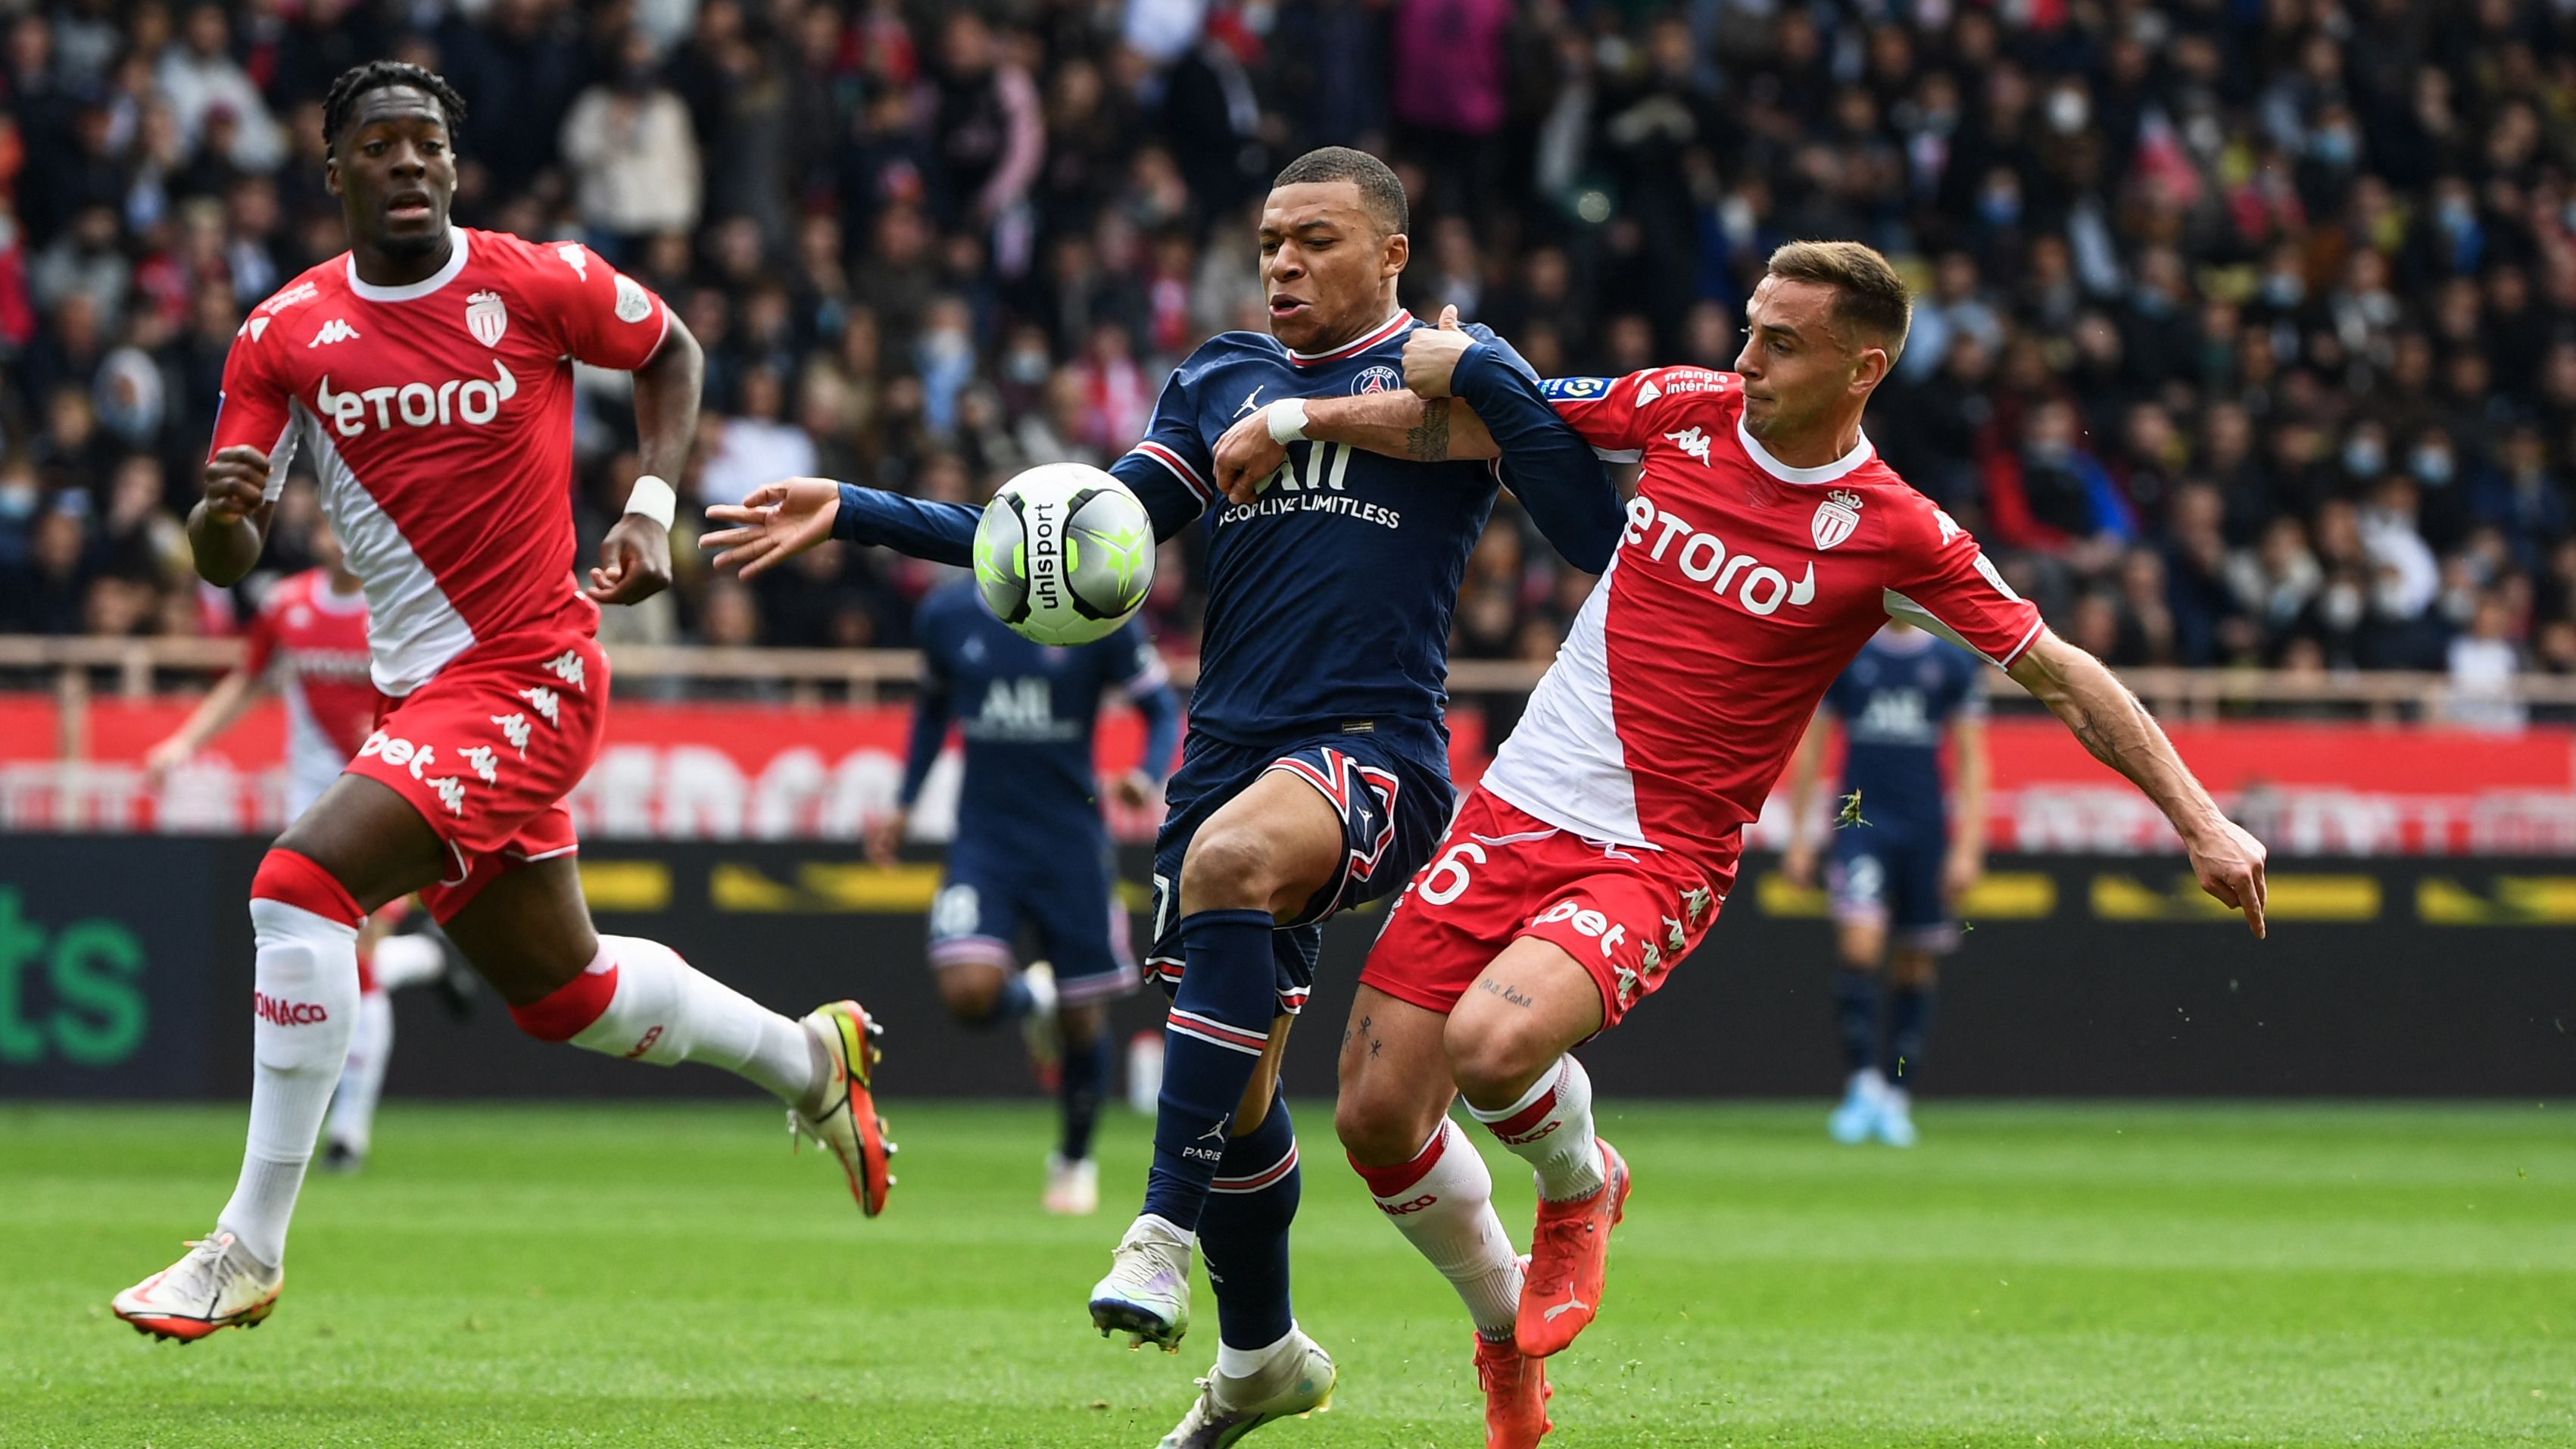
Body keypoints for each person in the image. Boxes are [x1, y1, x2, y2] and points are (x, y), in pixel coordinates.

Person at [1247, 241, 2267, 1448]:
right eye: (1749, 327)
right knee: (1369, 1113)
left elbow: (2056, 671)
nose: (1747, 358)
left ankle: (1580, 1189)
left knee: (1491, 1043)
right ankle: (1501, 1329)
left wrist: (2199, 818)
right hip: (1514, 805)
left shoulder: (1898, 534)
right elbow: (1472, 429)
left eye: (1780, 343)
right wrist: (1303, 413)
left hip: (1657, 855)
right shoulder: (1684, 408)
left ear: (1861, 366)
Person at [703, 146, 1620, 1446]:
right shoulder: (1216, 378)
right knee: (1238, 1097)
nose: (1284, 263)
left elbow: (1591, 528)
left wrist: (1481, 376)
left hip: (1374, 749)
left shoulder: (1441, 369)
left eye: (1314, 239)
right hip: (1220, 764)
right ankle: (1261, 1354)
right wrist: (859, 511)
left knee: (1238, 870)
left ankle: (1153, 1233)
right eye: (1268, 244)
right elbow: (1077, 535)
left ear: (1393, 254)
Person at [111, 61, 893, 1345]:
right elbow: (224, 556)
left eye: (427, 142)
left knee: (298, 886)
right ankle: (812, 1061)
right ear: (337, 172)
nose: (408, 161)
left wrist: (650, 508)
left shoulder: (531, 282)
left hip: (529, 671)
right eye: (380, 145)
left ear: (454, 166)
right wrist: (223, 518)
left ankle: (244, 1246)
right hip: (419, 695)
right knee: (565, 993)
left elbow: (671, 352)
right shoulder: (283, 335)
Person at [143, 513, 476, 1173]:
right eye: (328, 526)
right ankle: (430, 963)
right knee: (330, 961)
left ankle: (349, 1130)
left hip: (393, 801)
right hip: (311, 813)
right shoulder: (286, 605)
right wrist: (184, 742)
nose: (339, 537)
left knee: (357, 964)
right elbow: (248, 678)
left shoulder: (402, 602)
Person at [876, 578, 1181, 1216]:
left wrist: (1146, 775)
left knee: (1082, 1017)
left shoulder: (1097, 608)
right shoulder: (947, 611)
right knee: (968, 990)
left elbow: (1159, 709)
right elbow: (933, 710)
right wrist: (904, 804)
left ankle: (1073, 1158)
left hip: (1071, 841)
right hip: (984, 838)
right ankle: (1033, 997)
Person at [1779, 617, 1991, 1148]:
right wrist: (1800, 836)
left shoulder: (1952, 661)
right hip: (1858, 821)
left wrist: (1968, 846)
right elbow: (1812, 746)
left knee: (1916, 958)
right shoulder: (1848, 648)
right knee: (1859, 942)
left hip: (1924, 826)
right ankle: (1861, 1084)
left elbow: (1970, 757)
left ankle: (1897, 1092)